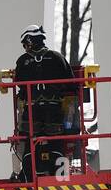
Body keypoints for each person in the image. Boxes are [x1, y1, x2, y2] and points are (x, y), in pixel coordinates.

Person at [12, 24, 75, 181]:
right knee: (57, 144)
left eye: (25, 43)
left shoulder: (23, 61)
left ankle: (28, 178)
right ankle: (61, 177)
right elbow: (71, 82)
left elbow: (19, 83)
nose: (25, 47)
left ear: (30, 40)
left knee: (29, 143)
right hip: (54, 110)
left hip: (31, 111)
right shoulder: (56, 57)